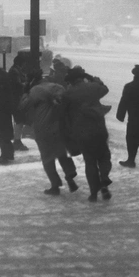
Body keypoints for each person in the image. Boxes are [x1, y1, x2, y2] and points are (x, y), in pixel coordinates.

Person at [19, 69, 78, 195]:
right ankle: (69, 174)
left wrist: (25, 92)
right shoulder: (57, 87)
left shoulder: (35, 91)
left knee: (47, 158)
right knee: (61, 153)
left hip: (43, 128)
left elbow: (23, 107)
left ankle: (55, 185)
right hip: (59, 127)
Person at [60, 66, 112, 202]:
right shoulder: (93, 88)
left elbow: (63, 112)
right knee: (104, 156)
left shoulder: (68, 93)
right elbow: (104, 88)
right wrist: (91, 78)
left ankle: (93, 193)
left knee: (90, 162)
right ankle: (105, 177)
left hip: (82, 132)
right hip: (98, 128)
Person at [7, 52, 29, 152]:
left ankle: (17, 140)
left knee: (19, 121)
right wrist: (27, 84)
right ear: (21, 63)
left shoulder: (15, 70)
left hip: (16, 99)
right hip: (17, 99)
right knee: (19, 121)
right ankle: (17, 141)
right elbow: (18, 85)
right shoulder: (15, 72)